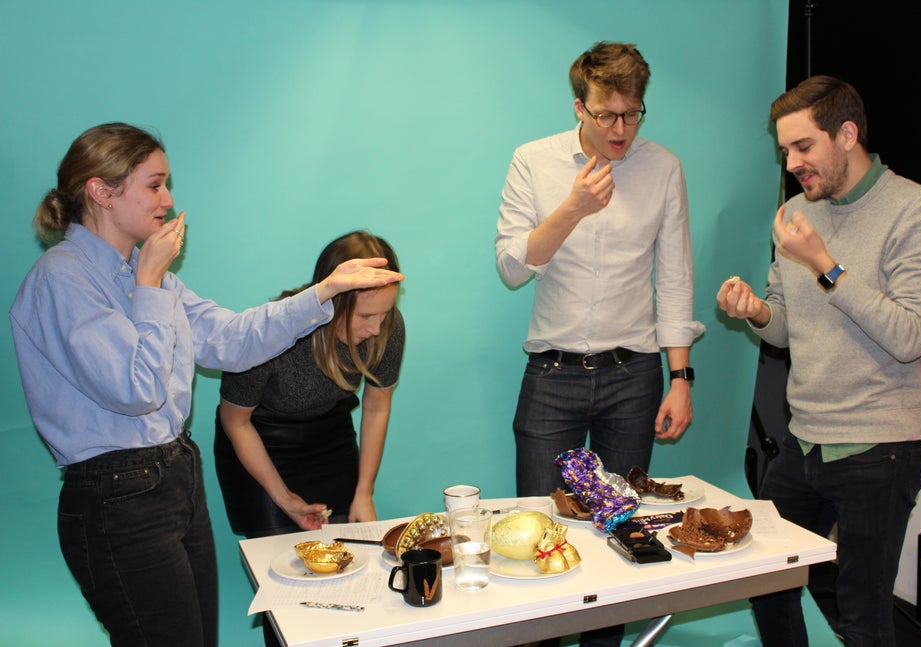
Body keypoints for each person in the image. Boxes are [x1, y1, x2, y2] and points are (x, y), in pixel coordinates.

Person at [8, 122, 404, 647]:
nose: (168, 200)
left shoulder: (146, 275)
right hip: (116, 493)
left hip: (175, 473)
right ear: (101, 192)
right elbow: (135, 392)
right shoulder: (64, 277)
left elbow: (234, 341)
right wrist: (149, 284)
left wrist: (324, 293)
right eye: (154, 184)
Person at [716, 76, 921, 646]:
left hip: (879, 447)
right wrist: (755, 311)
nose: (793, 164)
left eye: (803, 147)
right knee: (766, 578)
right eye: (785, 152)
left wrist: (826, 265)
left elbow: (911, 336)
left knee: (862, 614)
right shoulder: (798, 213)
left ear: (847, 134)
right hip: (804, 440)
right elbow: (785, 325)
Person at [495, 41, 704, 647]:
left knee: (620, 534)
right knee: (538, 535)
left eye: (633, 113)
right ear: (579, 107)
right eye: (606, 114)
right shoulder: (533, 161)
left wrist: (680, 379)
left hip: (633, 377)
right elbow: (511, 265)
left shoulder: (663, 167)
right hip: (552, 374)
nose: (620, 129)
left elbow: (676, 276)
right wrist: (573, 208)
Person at [214, 230, 403, 534]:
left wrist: (364, 491)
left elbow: (377, 407)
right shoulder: (274, 331)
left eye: (385, 314)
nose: (376, 328)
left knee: (345, 550)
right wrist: (284, 498)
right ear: (333, 302)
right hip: (262, 444)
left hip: (330, 439)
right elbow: (235, 421)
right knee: (281, 559)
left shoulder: (386, 328)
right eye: (365, 315)